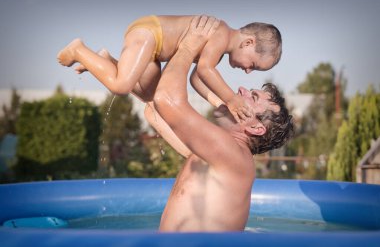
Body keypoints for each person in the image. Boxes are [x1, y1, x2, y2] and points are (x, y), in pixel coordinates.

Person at [153, 16, 293, 231]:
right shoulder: (220, 154)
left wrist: (188, 46)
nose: (241, 90)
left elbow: (166, 100)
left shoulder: (231, 152)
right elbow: (154, 111)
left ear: (255, 128)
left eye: (252, 97)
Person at [57, 14, 282, 123]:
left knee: (148, 95)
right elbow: (204, 70)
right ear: (248, 43)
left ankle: (107, 62)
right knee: (121, 85)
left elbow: (196, 79)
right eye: (252, 65)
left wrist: (221, 103)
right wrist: (232, 99)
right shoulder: (222, 33)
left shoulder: (219, 53)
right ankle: (78, 49)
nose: (248, 71)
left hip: (154, 50)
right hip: (150, 34)